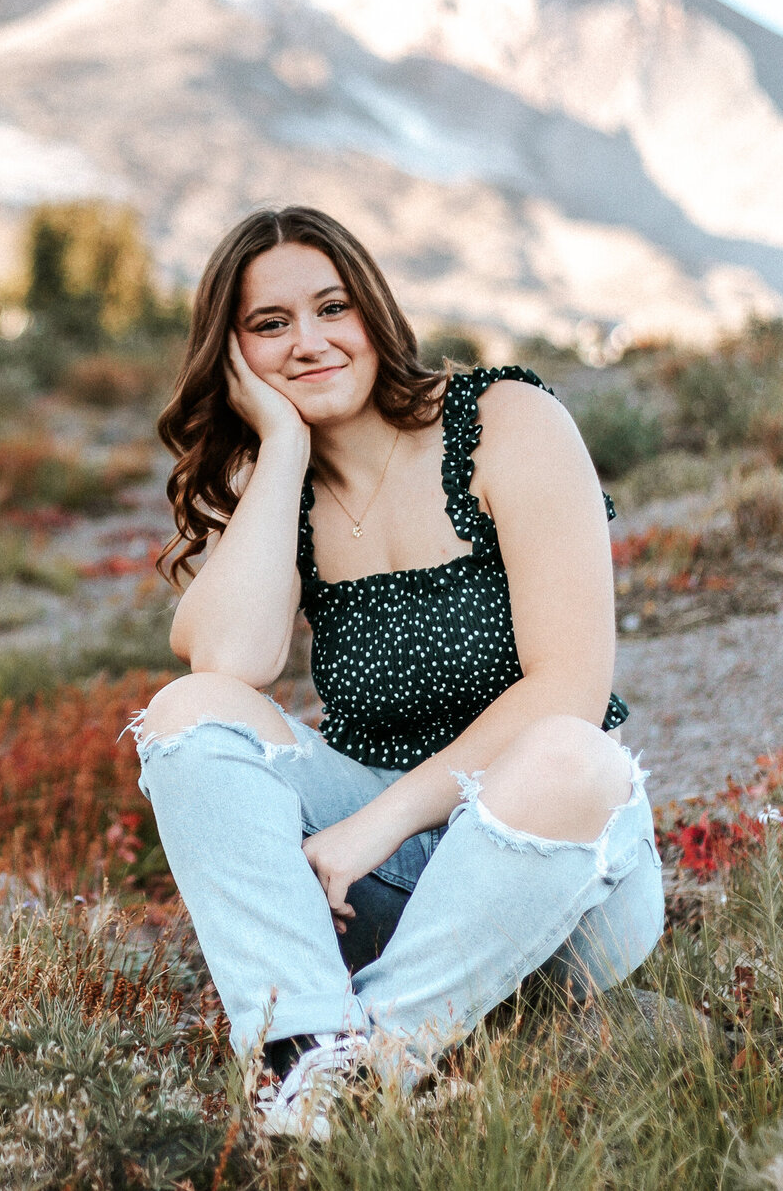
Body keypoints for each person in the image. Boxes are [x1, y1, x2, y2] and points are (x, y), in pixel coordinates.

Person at [125, 206, 665, 1138]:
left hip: (546, 866)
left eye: (332, 307)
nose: (309, 342)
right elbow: (230, 663)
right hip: (383, 884)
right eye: (270, 324)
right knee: (188, 711)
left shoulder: (505, 422)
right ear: (233, 353)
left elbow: (570, 685)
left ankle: (373, 1056)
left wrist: (372, 826)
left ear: (373, 311)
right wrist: (284, 450)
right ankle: (303, 1051)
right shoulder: (275, 482)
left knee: (574, 755)